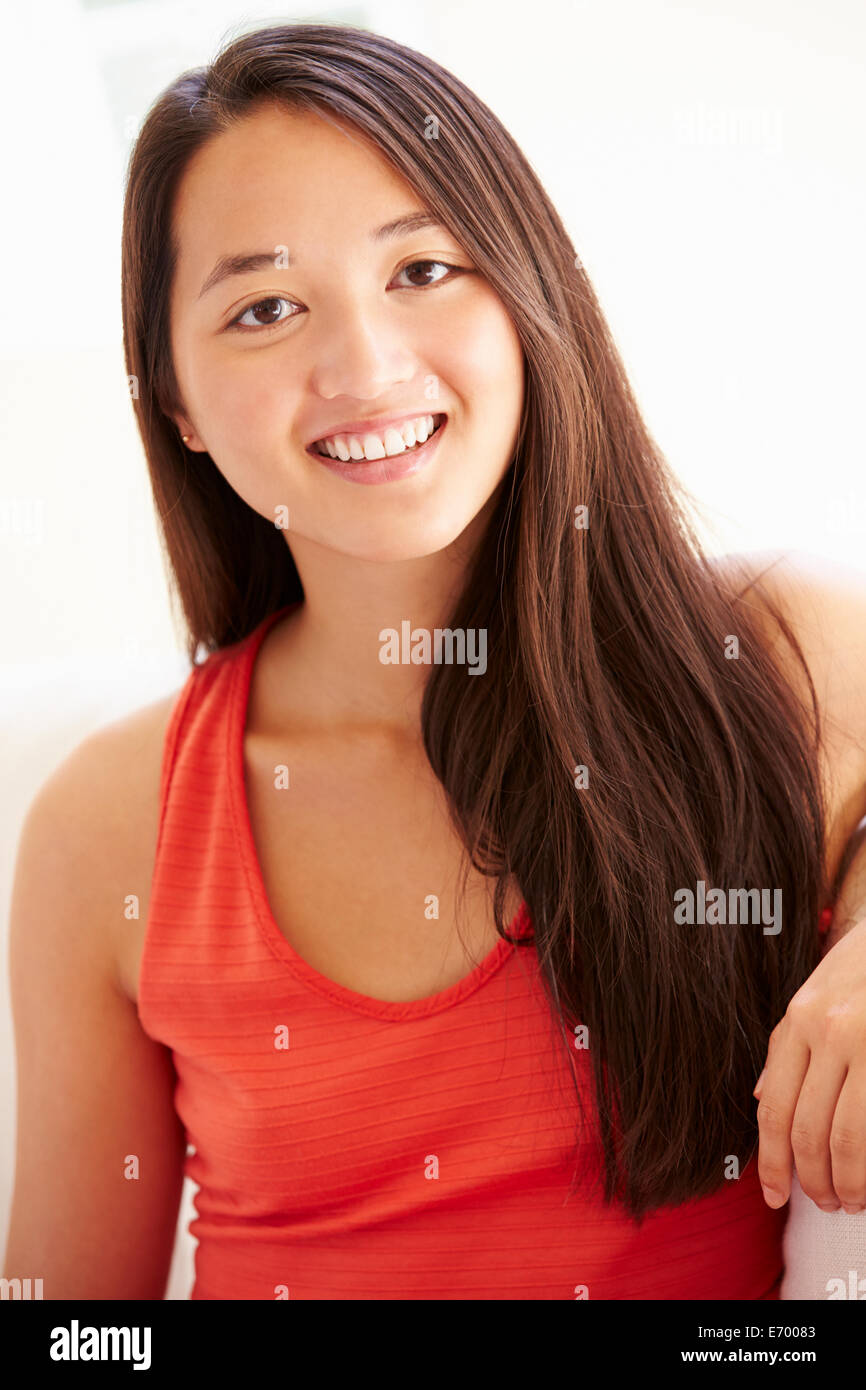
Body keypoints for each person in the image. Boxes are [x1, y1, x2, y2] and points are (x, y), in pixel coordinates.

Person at [4, 23, 866, 1300]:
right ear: (176, 402)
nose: (362, 366)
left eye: (420, 268)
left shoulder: (778, 656)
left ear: (528, 290)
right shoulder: (109, 822)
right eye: (265, 307)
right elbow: (68, 1321)